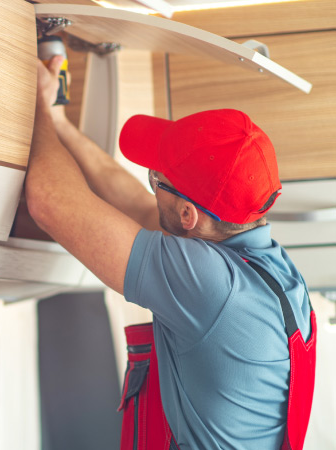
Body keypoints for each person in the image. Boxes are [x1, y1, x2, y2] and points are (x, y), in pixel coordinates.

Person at [26, 55, 316, 449]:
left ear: (187, 214)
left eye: (155, 179)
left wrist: (37, 106)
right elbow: (140, 207)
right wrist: (59, 125)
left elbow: (50, 202)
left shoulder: (211, 287)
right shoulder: (269, 268)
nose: (150, 186)